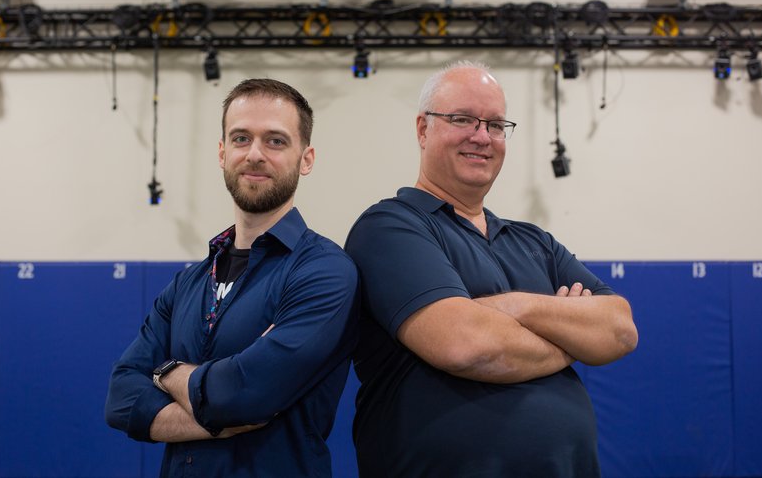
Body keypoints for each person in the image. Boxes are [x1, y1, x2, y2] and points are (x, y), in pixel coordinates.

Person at [345, 61, 638, 478]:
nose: (482, 137)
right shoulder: (391, 226)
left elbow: (621, 329)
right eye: (462, 119)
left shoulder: (535, 242)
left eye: (496, 125)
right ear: (423, 129)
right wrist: (572, 338)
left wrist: (514, 307)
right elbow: (464, 344)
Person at [105, 78, 358, 477]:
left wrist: (163, 371)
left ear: (305, 159)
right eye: (241, 138)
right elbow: (120, 397)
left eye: (275, 141)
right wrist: (213, 412)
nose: (254, 154)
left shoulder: (324, 272)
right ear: (223, 153)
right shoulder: (189, 283)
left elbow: (245, 396)